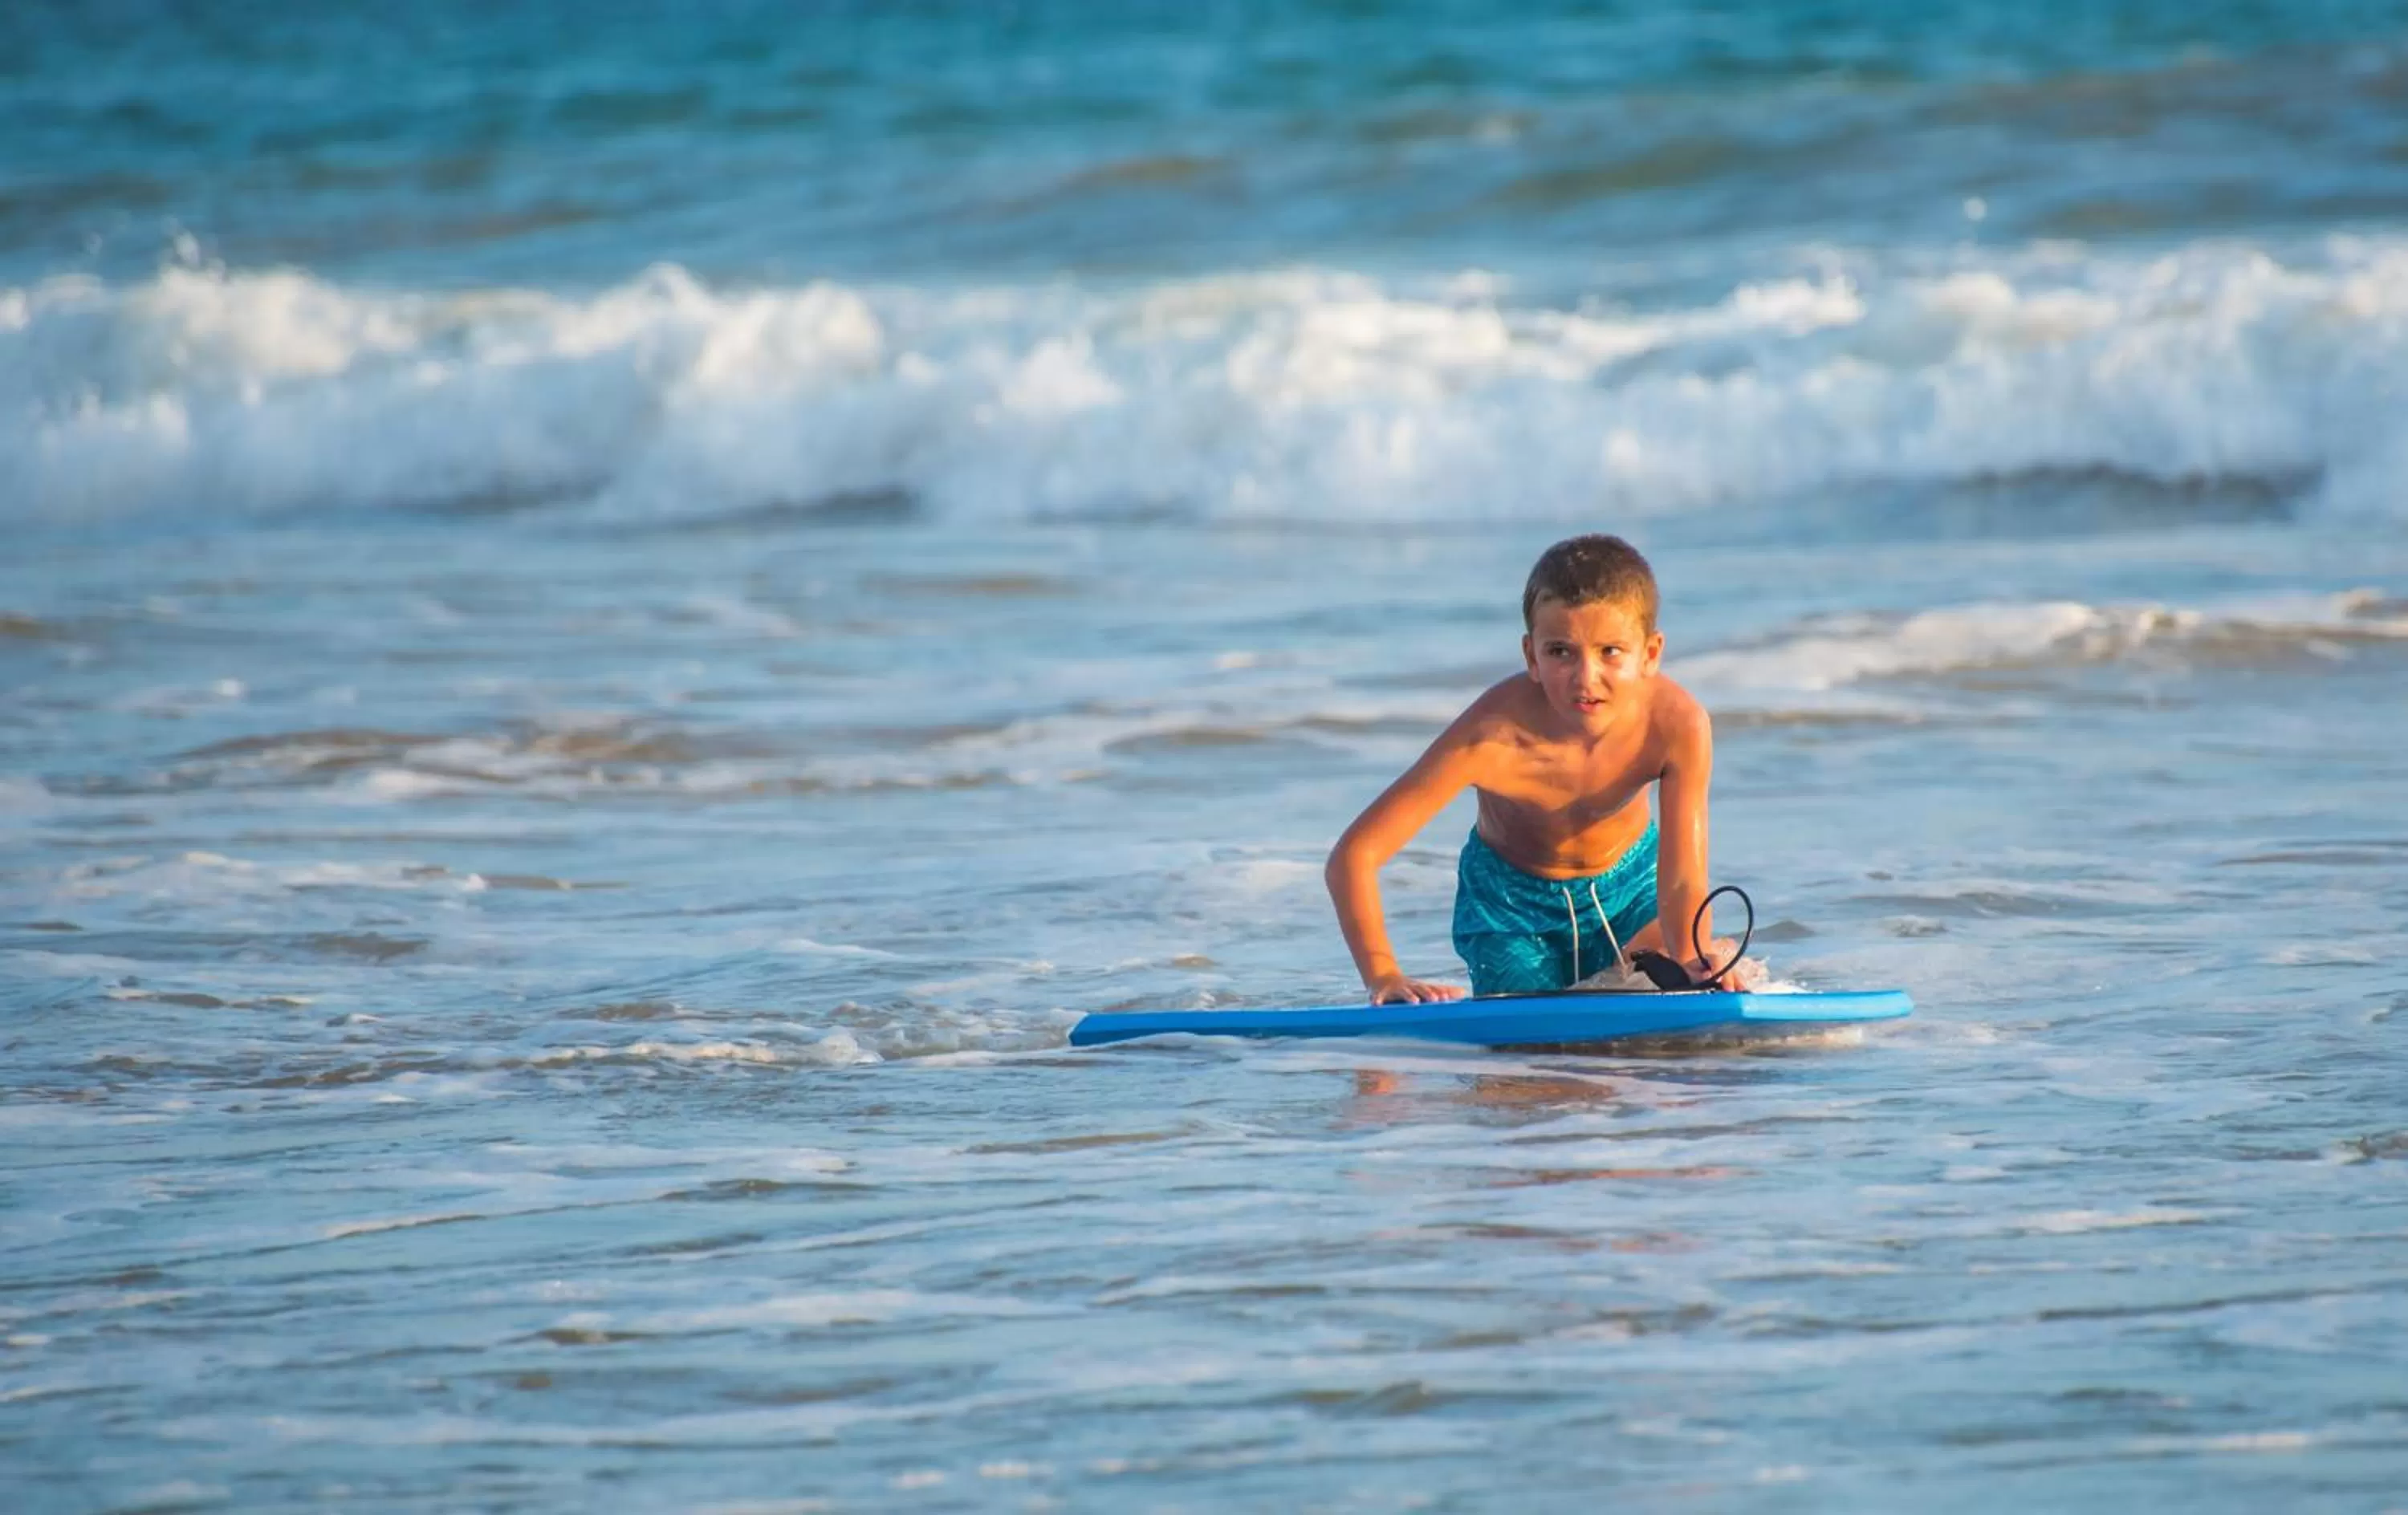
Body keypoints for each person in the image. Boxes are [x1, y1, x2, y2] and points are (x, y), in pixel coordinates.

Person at [1324, 534, 1759, 1004]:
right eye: (1560, 652)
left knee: (1678, 1010)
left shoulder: (1677, 725)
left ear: (1650, 654)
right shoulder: (1491, 738)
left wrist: (1693, 953)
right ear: (1532, 655)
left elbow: (1679, 879)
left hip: (1630, 890)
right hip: (1512, 907)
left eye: (1610, 651)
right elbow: (1353, 857)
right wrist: (1383, 976)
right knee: (1528, 1057)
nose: (1585, 677)